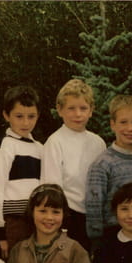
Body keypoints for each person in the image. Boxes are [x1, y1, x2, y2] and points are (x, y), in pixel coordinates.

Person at [41, 79, 106, 251]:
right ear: (60, 109)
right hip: (68, 215)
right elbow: (52, 187)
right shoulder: (55, 142)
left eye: (83, 108)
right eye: (71, 108)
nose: (78, 114)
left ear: (91, 110)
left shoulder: (98, 143)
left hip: (94, 215)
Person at [85, 94, 132, 246]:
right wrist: (97, 242)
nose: (130, 128)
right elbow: (94, 207)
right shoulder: (102, 164)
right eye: (123, 122)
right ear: (112, 124)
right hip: (111, 238)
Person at [0, 85, 43, 258]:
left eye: (31, 116)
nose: (25, 123)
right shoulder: (4, 146)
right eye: (19, 116)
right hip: (12, 223)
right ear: (6, 115)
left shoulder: (40, 148)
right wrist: (0, 231)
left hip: (36, 222)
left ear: (38, 115)